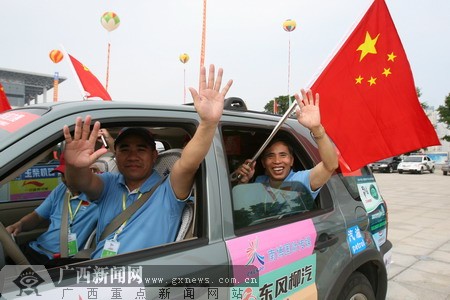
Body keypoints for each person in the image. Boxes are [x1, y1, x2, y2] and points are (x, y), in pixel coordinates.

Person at [62, 64, 232, 258]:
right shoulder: (109, 183)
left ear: (154, 156)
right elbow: (79, 182)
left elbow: (187, 163)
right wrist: (74, 165)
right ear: (115, 154)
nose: (132, 156)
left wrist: (208, 124)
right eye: (124, 149)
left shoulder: (169, 191)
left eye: (141, 149)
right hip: (97, 271)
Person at [235, 89, 339, 200]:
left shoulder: (301, 180)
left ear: (291, 160)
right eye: (270, 156)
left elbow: (330, 165)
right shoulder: (259, 182)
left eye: (283, 155)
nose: (277, 161)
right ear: (263, 163)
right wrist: (242, 182)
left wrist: (317, 129)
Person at [6, 154, 99, 265]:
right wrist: (19, 225)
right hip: (35, 248)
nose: (66, 180)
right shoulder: (61, 189)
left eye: (71, 174)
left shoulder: (99, 196)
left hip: (57, 261)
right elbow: (37, 216)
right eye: (62, 174)